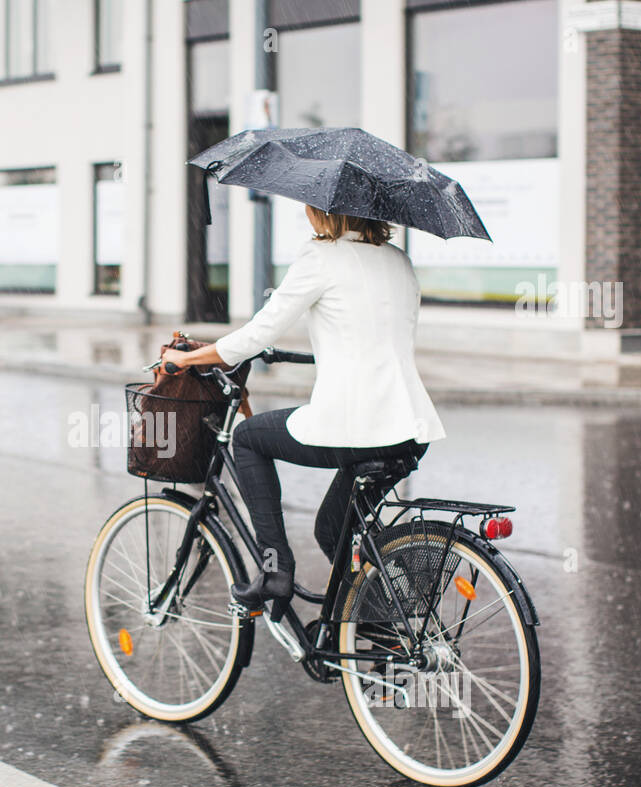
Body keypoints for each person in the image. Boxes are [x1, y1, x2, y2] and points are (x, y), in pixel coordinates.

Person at [161, 204, 445, 609]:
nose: (307, 214)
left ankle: (275, 570)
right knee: (333, 530)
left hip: (354, 425)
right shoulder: (399, 261)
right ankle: (381, 629)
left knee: (247, 438)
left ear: (324, 211)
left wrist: (187, 358)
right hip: (410, 428)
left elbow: (258, 333)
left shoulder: (321, 258)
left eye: (310, 208)